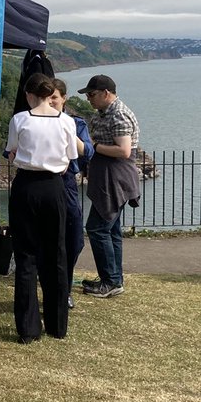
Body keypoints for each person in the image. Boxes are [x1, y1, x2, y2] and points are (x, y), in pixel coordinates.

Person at [3, 73, 80, 342]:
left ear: (29, 94)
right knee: (56, 254)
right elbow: (72, 156)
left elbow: (11, 150)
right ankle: (58, 325)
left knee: (26, 256)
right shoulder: (67, 122)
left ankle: (28, 328)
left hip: (26, 186)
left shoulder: (20, 119)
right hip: (54, 186)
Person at [78, 73, 141, 298]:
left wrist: (92, 146)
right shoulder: (104, 113)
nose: (89, 99)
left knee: (97, 228)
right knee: (111, 231)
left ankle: (110, 281)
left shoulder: (119, 115)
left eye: (92, 94)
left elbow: (124, 151)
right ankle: (114, 278)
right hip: (108, 178)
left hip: (115, 179)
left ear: (106, 93)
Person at [48, 78, 94, 304]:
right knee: (47, 240)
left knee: (74, 239)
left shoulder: (76, 123)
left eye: (55, 97)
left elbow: (88, 152)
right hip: (44, 182)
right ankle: (55, 290)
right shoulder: (36, 120)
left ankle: (64, 289)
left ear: (64, 99)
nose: (51, 101)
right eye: (47, 97)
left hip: (66, 184)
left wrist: (67, 128)